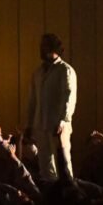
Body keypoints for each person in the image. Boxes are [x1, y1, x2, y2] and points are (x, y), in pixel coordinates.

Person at [24, 33, 77, 183]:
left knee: (63, 164)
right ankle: (50, 194)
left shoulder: (65, 70)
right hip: (40, 125)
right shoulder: (38, 73)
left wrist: (63, 120)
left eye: (45, 45)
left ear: (54, 47)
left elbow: (69, 97)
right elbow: (32, 100)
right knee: (45, 166)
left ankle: (69, 193)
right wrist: (29, 124)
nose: (41, 48)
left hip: (57, 126)